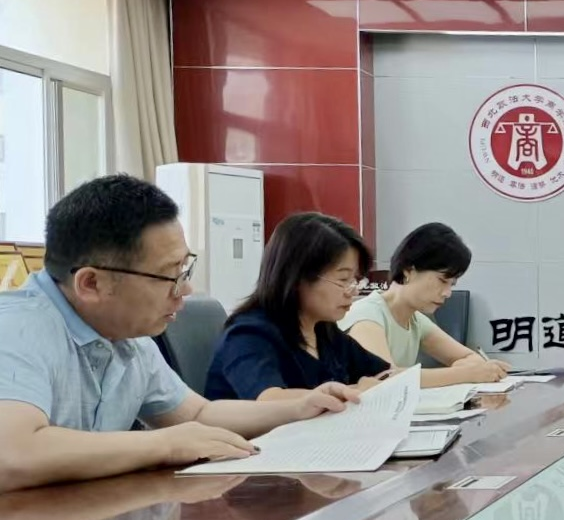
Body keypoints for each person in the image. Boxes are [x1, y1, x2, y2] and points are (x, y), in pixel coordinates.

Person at [0, 176, 355, 492]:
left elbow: (197, 415)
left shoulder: (128, 338)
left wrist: (299, 408)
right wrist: (165, 444)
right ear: (91, 283)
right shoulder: (17, 328)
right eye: (170, 275)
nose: (185, 289)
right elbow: (13, 453)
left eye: (185, 268)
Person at [205, 213, 391, 401]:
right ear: (297, 277)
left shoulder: (324, 331)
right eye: (343, 279)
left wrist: (393, 380)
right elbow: (270, 399)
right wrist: (356, 390)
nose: (352, 290)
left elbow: (384, 373)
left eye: (355, 279)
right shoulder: (248, 334)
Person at [342, 223, 506, 387]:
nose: (447, 293)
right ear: (408, 270)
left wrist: (471, 369)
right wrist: (465, 373)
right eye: (442, 280)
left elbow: (470, 358)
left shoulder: (415, 320)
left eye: (452, 284)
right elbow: (385, 379)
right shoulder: (366, 316)